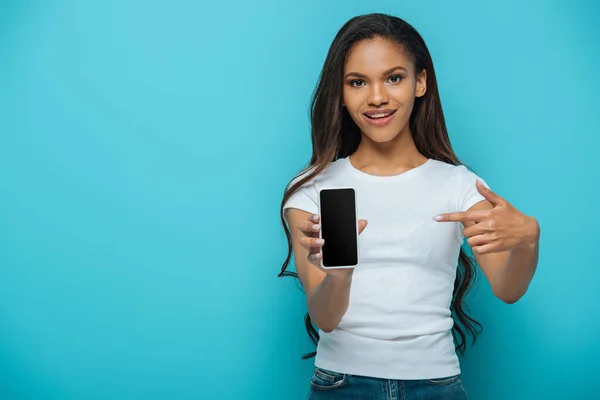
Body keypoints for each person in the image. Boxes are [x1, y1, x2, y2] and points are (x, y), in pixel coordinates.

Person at [278, 13, 540, 400]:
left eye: (394, 77)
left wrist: (529, 240)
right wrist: (342, 273)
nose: (377, 97)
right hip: (342, 385)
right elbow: (325, 318)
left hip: (436, 385)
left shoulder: (459, 185)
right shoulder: (313, 190)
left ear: (420, 82)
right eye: (358, 82)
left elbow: (508, 288)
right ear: (342, 92)